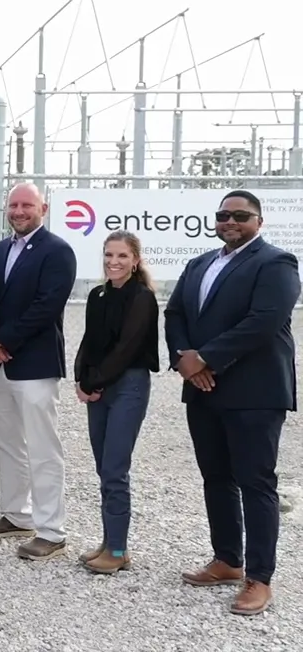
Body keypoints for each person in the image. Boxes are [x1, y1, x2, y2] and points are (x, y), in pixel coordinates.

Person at [164, 190, 300, 616]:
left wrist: (206, 358)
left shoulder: (276, 262)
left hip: (254, 392)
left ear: (259, 221)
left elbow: (264, 321)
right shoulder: (199, 263)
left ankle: (260, 578)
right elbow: (174, 315)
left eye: (240, 215)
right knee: (215, 477)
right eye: (223, 215)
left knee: (256, 483)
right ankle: (227, 560)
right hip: (202, 389)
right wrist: (186, 360)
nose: (229, 221)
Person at [0, 182, 77, 560]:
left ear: (43, 208)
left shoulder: (58, 251)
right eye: (13, 205)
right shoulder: (1, 250)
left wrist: (4, 340)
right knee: (9, 444)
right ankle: (17, 514)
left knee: (43, 449)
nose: (19, 211)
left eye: (26, 205)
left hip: (34, 365)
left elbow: (47, 305)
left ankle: (51, 531)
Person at [71, 230, 159, 573]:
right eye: (109, 255)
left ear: (135, 260)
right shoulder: (98, 295)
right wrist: (82, 380)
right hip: (99, 388)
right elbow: (89, 342)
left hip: (127, 386)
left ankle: (119, 549)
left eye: (122, 256)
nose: (114, 262)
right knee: (102, 467)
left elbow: (127, 349)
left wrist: (95, 381)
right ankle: (108, 541)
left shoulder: (142, 298)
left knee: (115, 469)